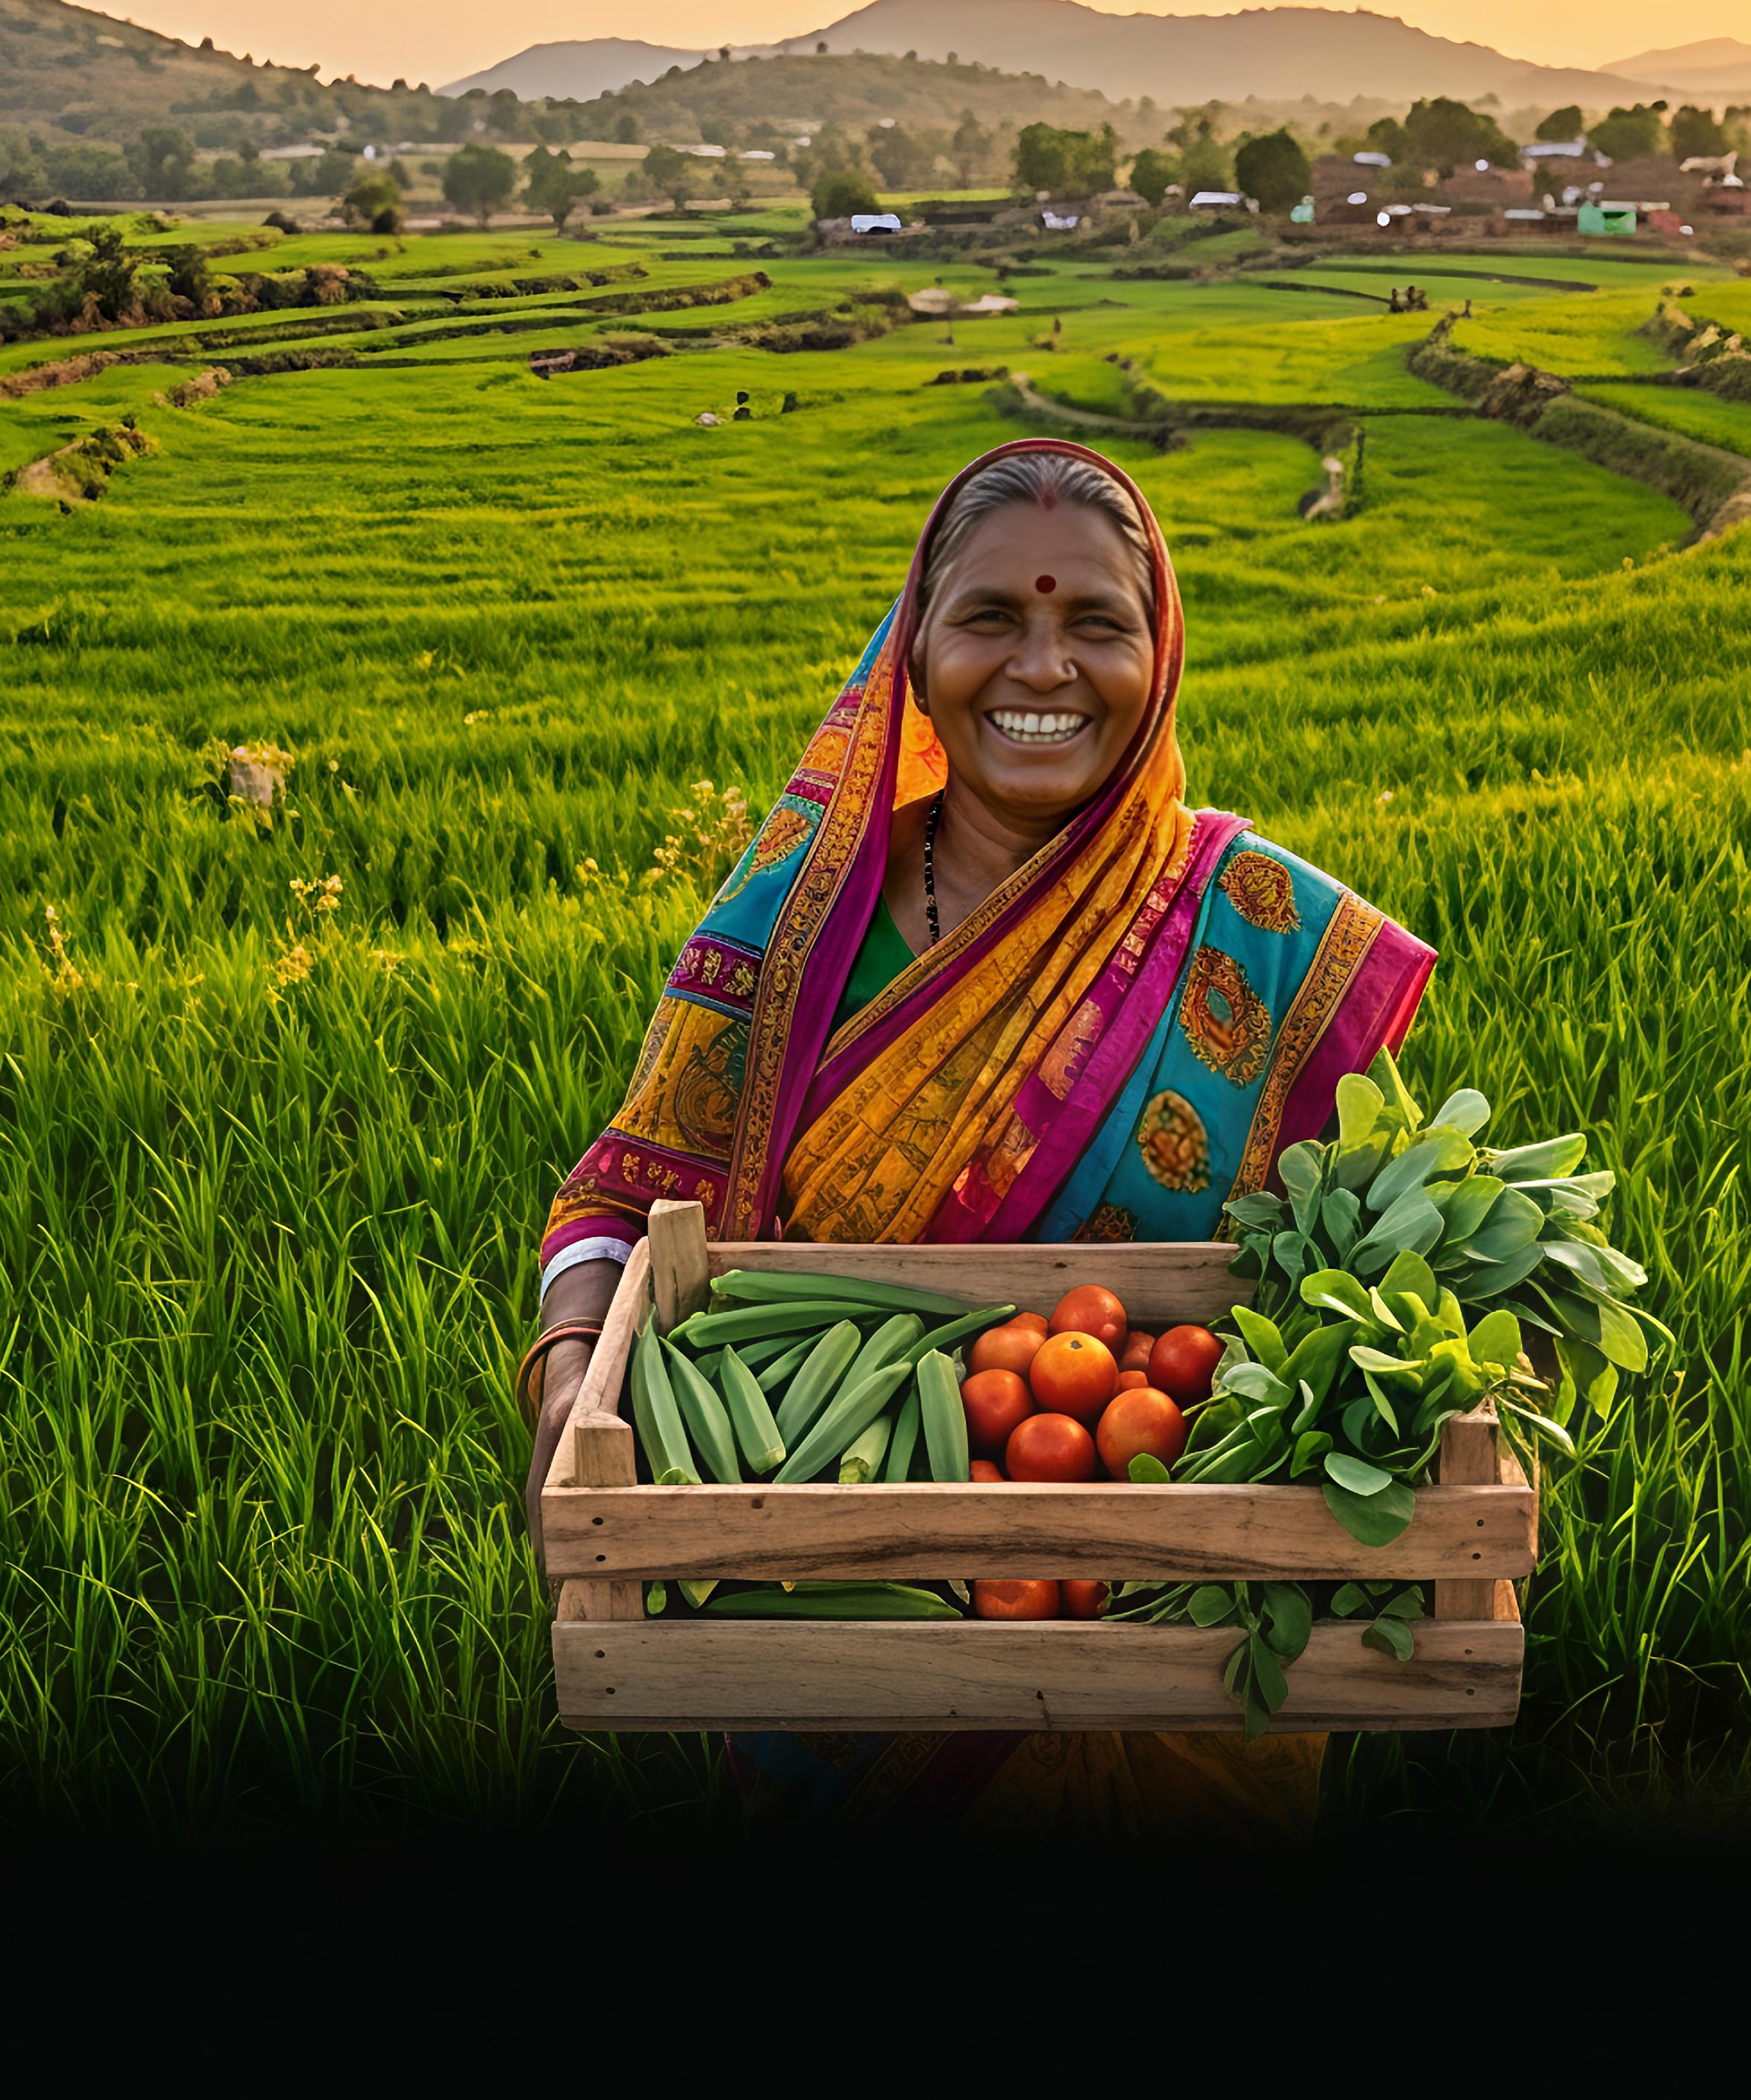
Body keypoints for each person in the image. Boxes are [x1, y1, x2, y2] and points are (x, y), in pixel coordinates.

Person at [525, 438, 1435, 1828]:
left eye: (1097, 624)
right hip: (831, 1621)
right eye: (991, 617)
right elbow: (627, 1191)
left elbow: (1379, 1253)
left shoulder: (1261, 932)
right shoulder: (800, 920)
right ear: (916, 649)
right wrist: (570, 1372)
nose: (1043, 668)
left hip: (1176, 1634)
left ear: (1161, 655)